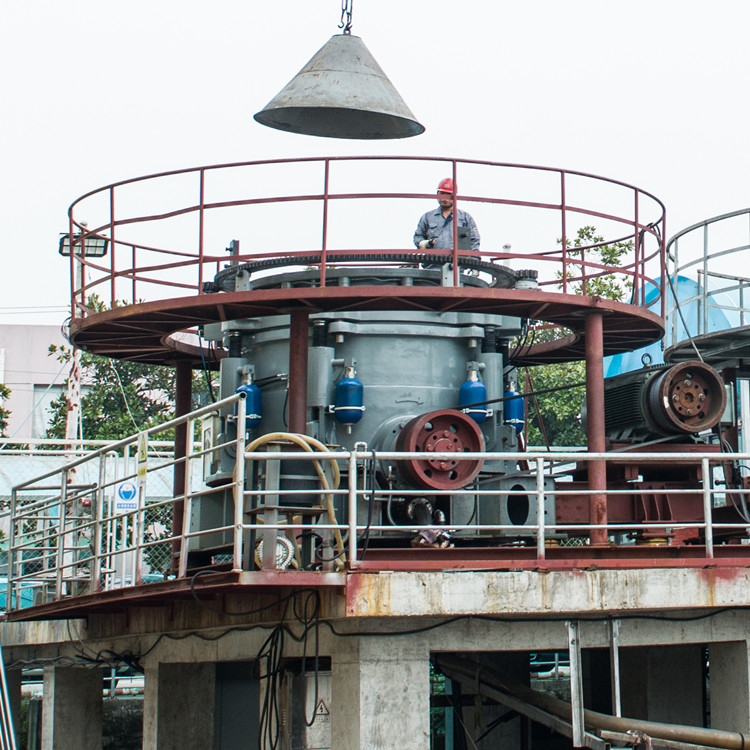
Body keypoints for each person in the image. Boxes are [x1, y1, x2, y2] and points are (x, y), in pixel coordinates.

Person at [413, 177, 480, 252]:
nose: (445, 199)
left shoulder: (465, 218)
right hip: (433, 262)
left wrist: (472, 258)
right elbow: (418, 237)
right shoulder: (427, 217)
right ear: (437, 194)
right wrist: (425, 243)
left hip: (457, 262)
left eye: (448, 194)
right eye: (442, 194)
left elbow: (474, 240)